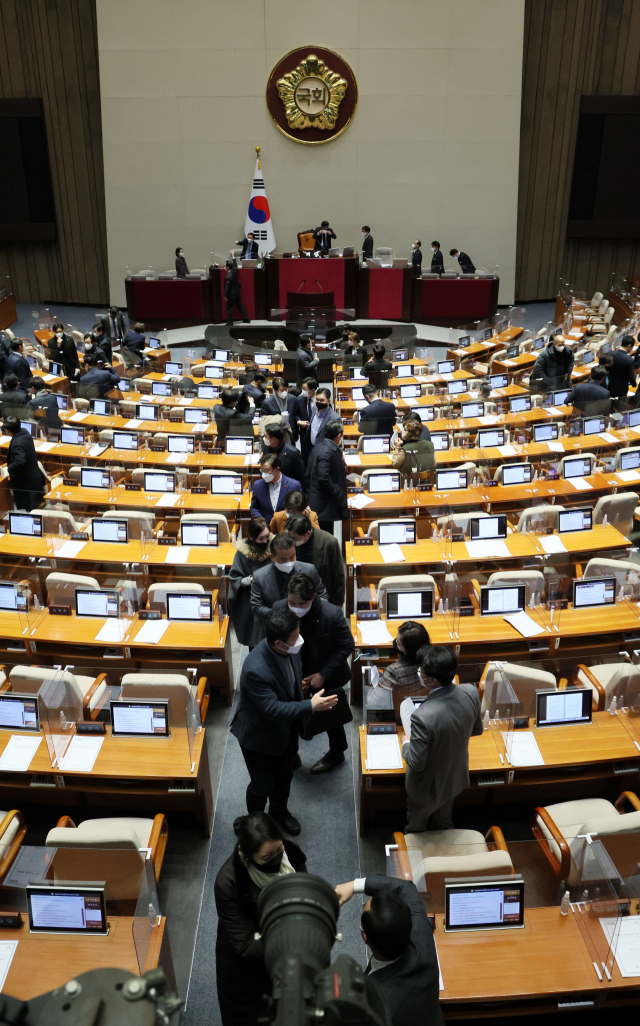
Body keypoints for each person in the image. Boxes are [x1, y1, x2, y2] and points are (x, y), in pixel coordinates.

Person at [230, 607, 338, 834]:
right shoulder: (255, 669)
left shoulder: (290, 650)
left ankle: (279, 812)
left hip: (284, 730)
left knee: (284, 776)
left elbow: (291, 679)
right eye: (295, 636)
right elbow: (272, 708)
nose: (300, 639)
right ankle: (254, 824)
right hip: (258, 736)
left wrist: (302, 687)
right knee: (262, 785)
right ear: (279, 643)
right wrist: (310, 706)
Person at [215, 811, 307, 1026]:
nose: (277, 858)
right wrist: (291, 937)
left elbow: (303, 884)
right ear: (248, 856)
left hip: (284, 954)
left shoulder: (289, 850)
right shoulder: (228, 883)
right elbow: (245, 946)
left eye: (279, 850)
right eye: (266, 858)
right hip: (247, 971)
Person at [335, 874, 444, 1026]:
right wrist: (354, 885)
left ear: (365, 935)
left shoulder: (372, 1006)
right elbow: (407, 888)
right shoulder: (422, 935)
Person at [274, 573, 353, 773]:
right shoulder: (279, 609)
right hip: (292, 673)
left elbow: (347, 645)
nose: (296, 607)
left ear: (313, 597)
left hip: (325, 674)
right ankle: (291, 754)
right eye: (292, 602)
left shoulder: (331, 614)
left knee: (331, 715)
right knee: (290, 715)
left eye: (302, 603)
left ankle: (337, 752)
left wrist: (322, 674)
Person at [401, 645, 482, 833]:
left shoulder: (422, 717)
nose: (419, 673)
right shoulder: (470, 691)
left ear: (432, 680)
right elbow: (476, 730)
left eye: (421, 671)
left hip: (426, 788)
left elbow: (416, 762)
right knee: (444, 823)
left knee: (416, 828)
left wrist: (406, 742)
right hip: (454, 776)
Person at [250, 532, 326, 646]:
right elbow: (256, 606)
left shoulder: (309, 570)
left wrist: (312, 612)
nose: (289, 562)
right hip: (277, 632)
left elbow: (322, 595)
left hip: (309, 627)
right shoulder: (259, 576)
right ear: (272, 557)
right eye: (283, 559)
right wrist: (282, 616)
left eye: (292, 557)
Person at [228, 517, 272, 649]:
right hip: (251, 603)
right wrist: (251, 579)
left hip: (271, 600)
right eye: (260, 539)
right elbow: (235, 580)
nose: (265, 541)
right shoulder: (242, 555)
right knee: (255, 643)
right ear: (252, 537)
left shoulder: (274, 547)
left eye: (267, 537)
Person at [284, 513, 345, 606]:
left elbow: (338, 575)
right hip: (295, 598)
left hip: (321, 598)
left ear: (307, 533)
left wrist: (338, 603)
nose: (290, 541)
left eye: (294, 538)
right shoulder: (288, 537)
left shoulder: (329, 542)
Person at [307, 419, 347, 535]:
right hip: (324, 505)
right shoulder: (327, 452)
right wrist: (338, 491)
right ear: (338, 435)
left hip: (321, 501)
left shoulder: (320, 446)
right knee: (325, 536)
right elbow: (323, 478)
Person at [4, 416, 46, 510]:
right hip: (34, 477)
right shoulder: (24, 432)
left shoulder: (17, 443)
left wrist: (10, 469)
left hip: (25, 483)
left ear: (8, 431)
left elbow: (20, 461)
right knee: (34, 503)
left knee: (28, 508)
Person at [380, 621, 432, 693]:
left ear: (408, 650)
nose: (395, 642)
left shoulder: (394, 671)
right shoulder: (435, 664)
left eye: (398, 643)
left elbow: (375, 699)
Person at [250, 454, 301, 521]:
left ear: (277, 469)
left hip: (286, 525)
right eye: (262, 471)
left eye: (266, 471)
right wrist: (261, 521)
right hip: (265, 525)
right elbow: (254, 507)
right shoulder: (258, 485)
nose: (263, 474)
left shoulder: (294, 485)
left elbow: (299, 509)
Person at [306, 387, 338, 463]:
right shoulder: (315, 408)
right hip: (312, 449)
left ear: (328, 401)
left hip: (325, 453)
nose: (319, 402)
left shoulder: (334, 418)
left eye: (322, 400)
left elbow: (335, 441)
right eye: (317, 399)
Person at [292, 377, 318, 458]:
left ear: (313, 389)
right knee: (305, 456)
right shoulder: (299, 400)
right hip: (304, 434)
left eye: (305, 389)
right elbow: (295, 414)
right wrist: (299, 421)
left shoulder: (320, 400)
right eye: (302, 388)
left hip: (317, 434)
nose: (302, 391)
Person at [608, 335, 636, 408]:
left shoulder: (610, 353)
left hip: (610, 386)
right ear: (629, 346)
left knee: (611, 406)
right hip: (622, 390)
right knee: (620, 408)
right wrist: (634, 384)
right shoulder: (629, 360)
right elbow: (631, 377)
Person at [224, 259, 250, 325]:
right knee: (240, 305)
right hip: (237, 293)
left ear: (228, 267)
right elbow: (235, 264)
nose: (225, 267)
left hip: (231, 295)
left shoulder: (228, 276)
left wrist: (225, 296)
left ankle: (230, 322)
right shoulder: (235, 271)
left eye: (226, 266)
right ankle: (247, 318)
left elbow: (227, 287)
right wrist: (233, 257)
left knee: (229, 308)